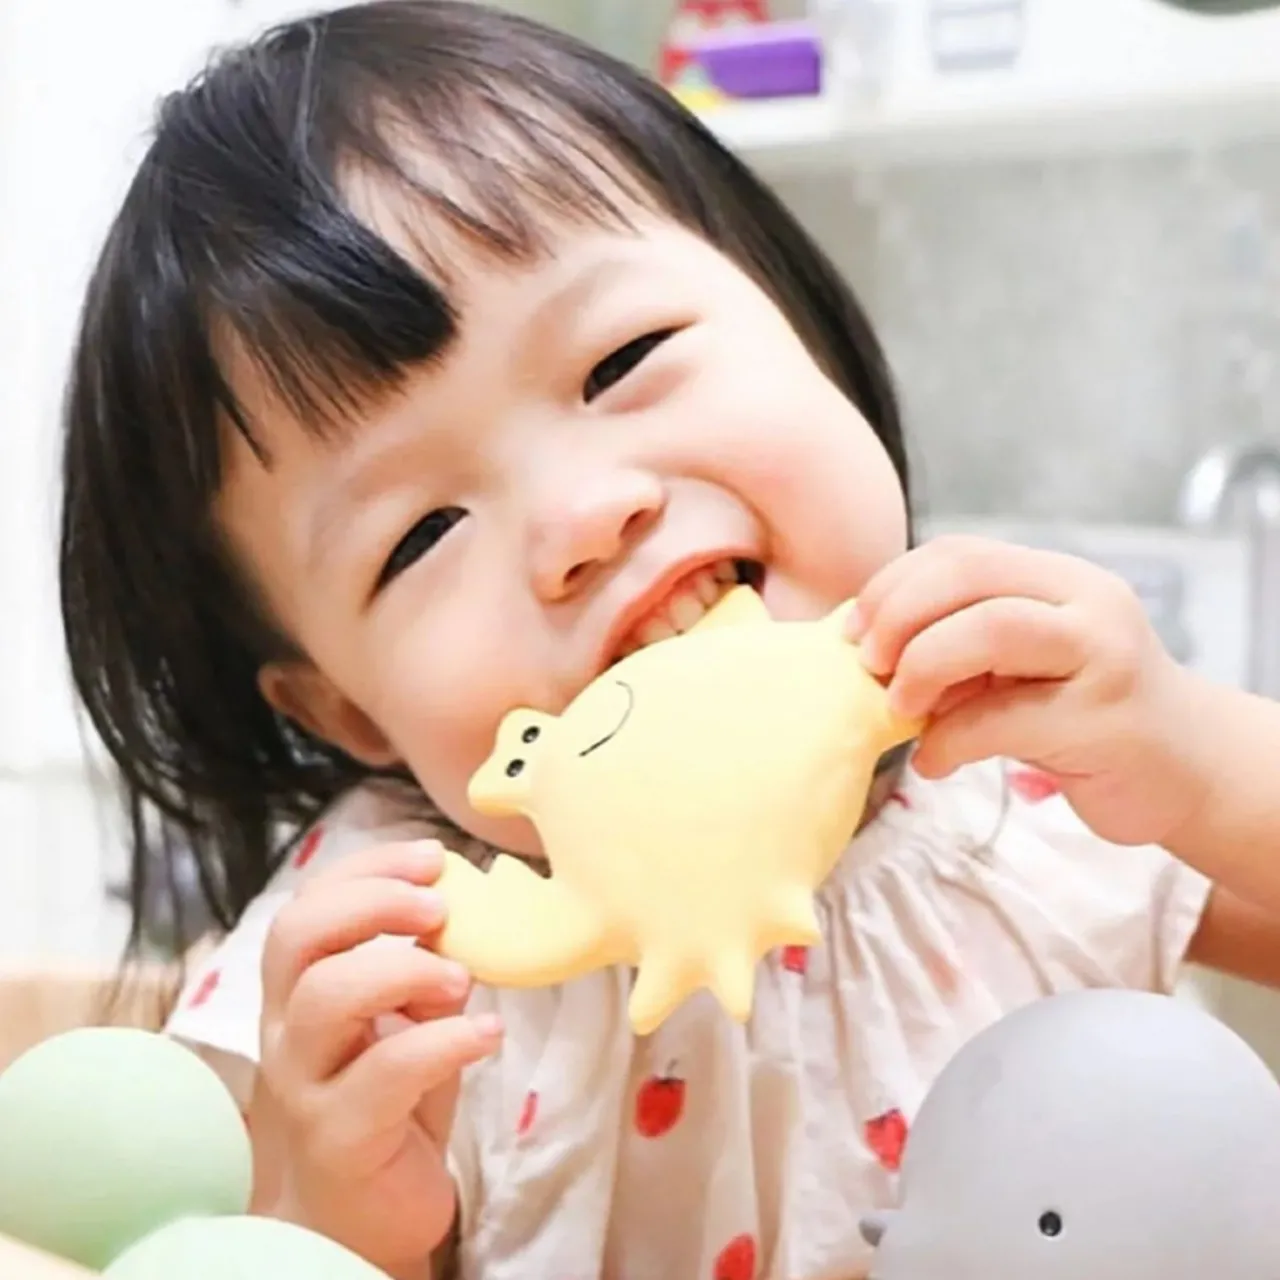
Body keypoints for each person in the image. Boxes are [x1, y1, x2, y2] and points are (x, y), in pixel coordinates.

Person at [55, 2, 1280, 1277]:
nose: (582, 518)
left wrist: (1196, 759)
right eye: (421, 533)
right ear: (350, 709)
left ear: (797, 322)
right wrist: (339, 1207)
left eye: (621, 358)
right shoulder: (393, 956)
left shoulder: (1027, 765)